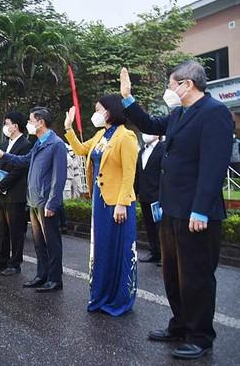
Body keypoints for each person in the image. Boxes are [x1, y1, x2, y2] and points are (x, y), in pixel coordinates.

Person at [120, 62, 233, 360]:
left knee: (196, 276)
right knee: (173, 273)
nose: (169, 90)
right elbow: (149, 124)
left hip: (197, 213)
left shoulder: (215, 113)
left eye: (172, 84)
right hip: (171, 209)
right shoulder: (178, 113)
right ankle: (180, 324)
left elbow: (214, 166)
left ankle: (200, 336)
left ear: (188, 84)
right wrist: (128, 99)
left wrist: (201, 210)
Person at [64, 94, 138, 316]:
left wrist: (122, 203)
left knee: (119, 250)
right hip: (99, 201)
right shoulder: (99, 135)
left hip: (117, 203)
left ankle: (119, 299)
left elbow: (129, 173)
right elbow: (80, 150)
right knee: (101, 249)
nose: (95, 113)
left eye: (98, 109)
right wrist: (68, 128)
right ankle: (101, 294)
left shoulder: (127, 136)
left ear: (110, 110)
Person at [0, 107, 67, 292]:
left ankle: (55, 279)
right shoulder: (39, 143)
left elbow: (59, 177)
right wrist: (3, 154)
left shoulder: (56, 144)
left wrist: (53, 202)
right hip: (33, 201)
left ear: (40, 122)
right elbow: (24, 161)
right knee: (40, 243)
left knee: (52, 242)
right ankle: (42, 275)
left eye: (31, 121)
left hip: (46, 202)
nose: (29, 124)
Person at [0, 112, 32, 276]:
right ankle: (1, 259)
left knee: (15, 231)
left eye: (7, 123)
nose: (5, 126)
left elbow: (18, 169)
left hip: (15, 192)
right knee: (1, 229)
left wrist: (1, 185)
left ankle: (15, 263)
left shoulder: (25, 144)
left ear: (15, 126)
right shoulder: (3, 146)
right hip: (0, 193)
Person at [135, 133, 165, 264]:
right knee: (150, 226)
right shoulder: (142, 151)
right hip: (144, 195)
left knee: (161, 227)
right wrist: (134, 191)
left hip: (158, 196)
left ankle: (166, 255)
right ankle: (155, 252)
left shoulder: (163, 149)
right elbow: (138, 174)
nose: (146, 134)